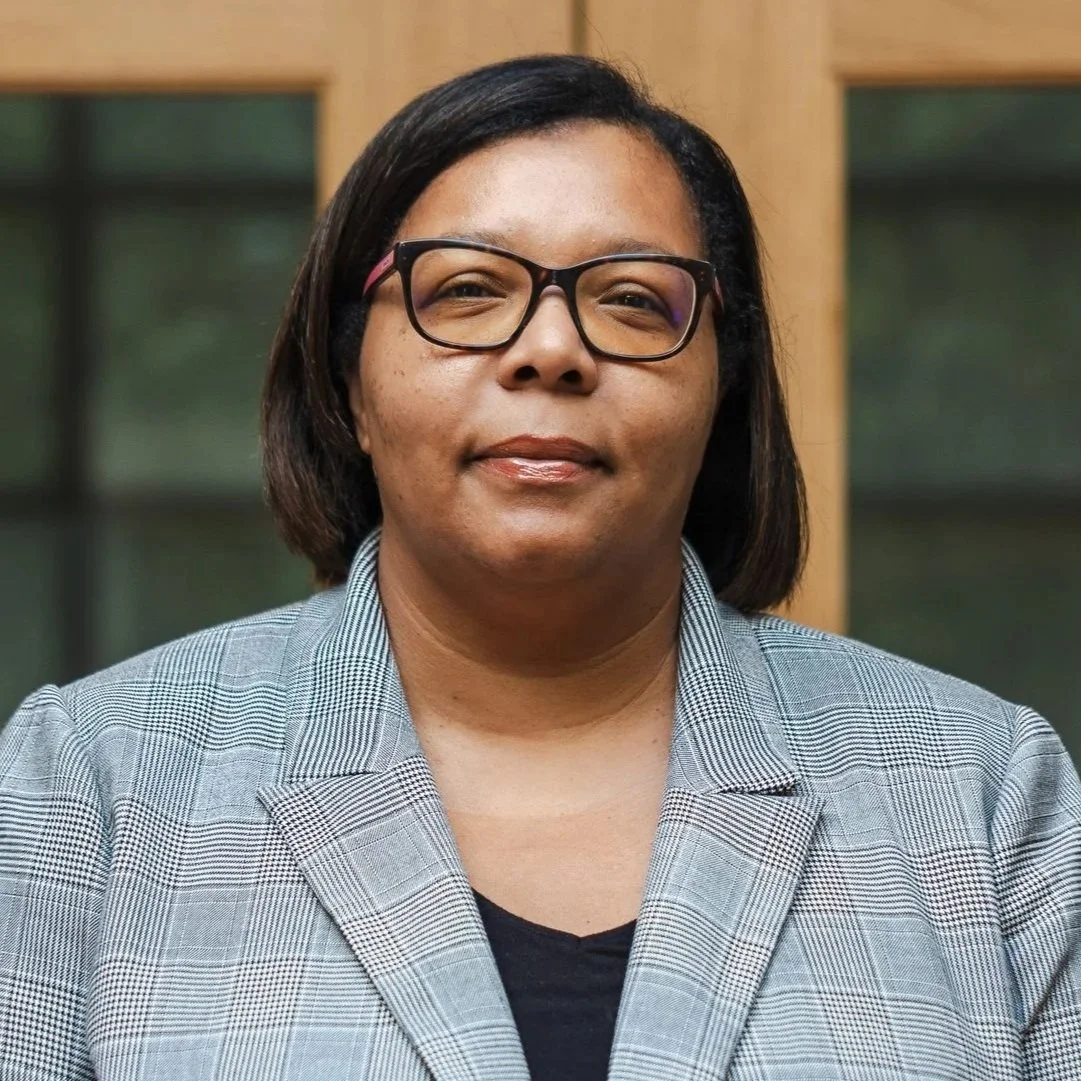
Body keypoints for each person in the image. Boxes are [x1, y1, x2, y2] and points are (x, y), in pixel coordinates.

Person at [1, 53, 1078, 1081]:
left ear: (722, 391)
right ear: (347, 383)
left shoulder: (980, 795)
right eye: (467, 289)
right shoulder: (93, 785)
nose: (551, 349)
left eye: (630, 299)